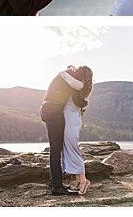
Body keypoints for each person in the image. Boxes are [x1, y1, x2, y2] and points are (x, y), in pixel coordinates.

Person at [40, 65, 94, 196]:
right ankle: (56, 186)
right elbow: (78, 100)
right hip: (54, 111)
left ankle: (54, 182)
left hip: (47, 108)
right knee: (56, 148)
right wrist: (85, 100)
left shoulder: (62, 78)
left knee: (55, 147)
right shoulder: (68, 80)